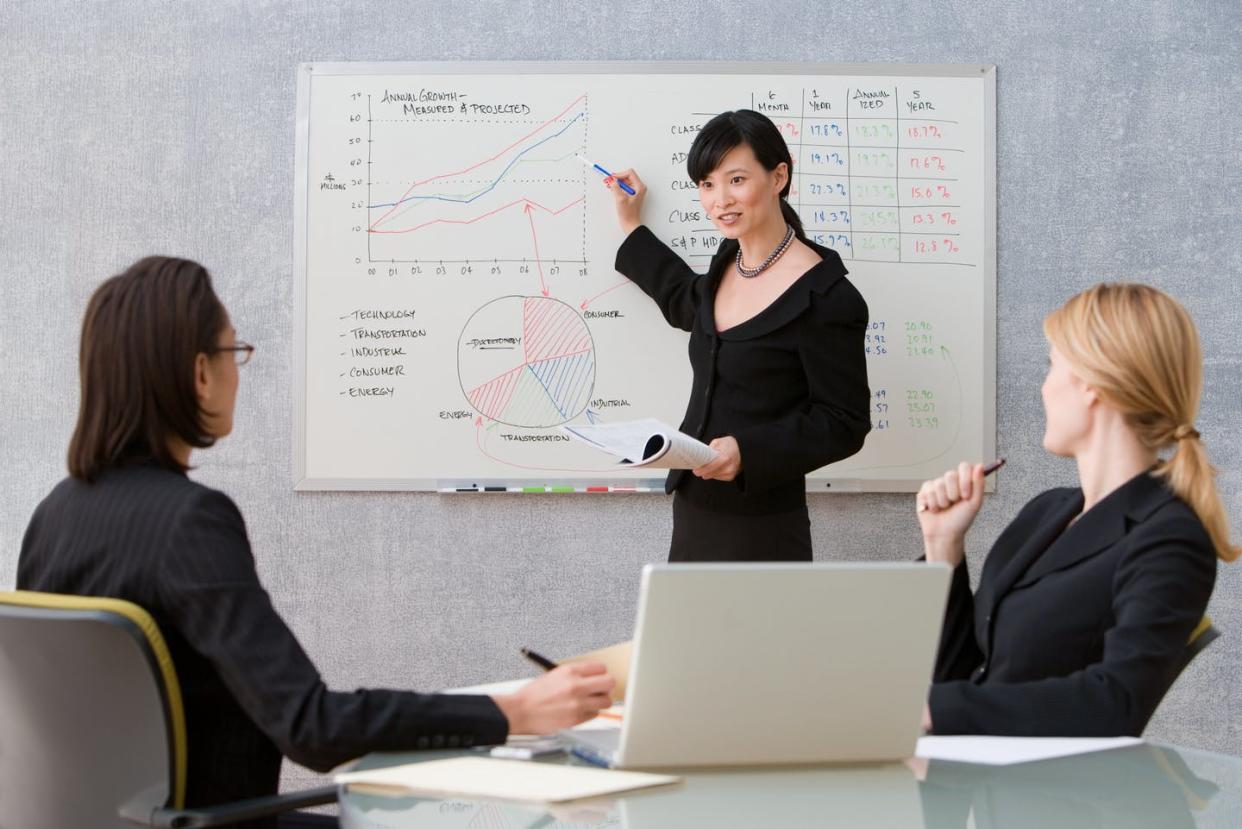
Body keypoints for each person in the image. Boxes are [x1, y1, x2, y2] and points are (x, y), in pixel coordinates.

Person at [17, 257, 614, 828]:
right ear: (200, 374)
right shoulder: (189, 522)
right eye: (234, 352)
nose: (237, 371)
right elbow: (311, 726)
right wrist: (513, 713)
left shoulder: (55, 513)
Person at [916, 282, 1236, 736]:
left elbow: (1117, 702)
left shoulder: (1169, 535)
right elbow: (964, 676)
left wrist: (935, 709)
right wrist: (942, 545)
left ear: (1091, 384)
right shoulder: (1046, 513)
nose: (1043, 389)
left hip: (1069, 801)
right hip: (989, 795)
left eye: (1052, 367)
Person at [605, 109, 870, 562]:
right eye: (707, 184)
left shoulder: (826, 296)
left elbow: (844, 423)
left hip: (762, 526)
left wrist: (747, 451)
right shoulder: (728, 261)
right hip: (694, 510)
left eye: (736, 180)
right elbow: (687, 303)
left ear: (778, 176)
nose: (720, 200)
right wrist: (632, 226)